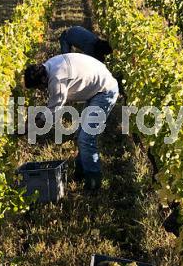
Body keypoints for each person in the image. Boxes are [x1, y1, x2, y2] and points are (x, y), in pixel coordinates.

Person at [24, 53, 119, 191]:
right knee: (82, 135)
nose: (40, 90)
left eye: (39, 87)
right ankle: (81, 172)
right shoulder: (49, 66)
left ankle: (93, 183)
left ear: (43, 79)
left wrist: (30, 128)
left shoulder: (57, 80)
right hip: (97, 85)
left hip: (105, 92)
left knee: (86, 138)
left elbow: (52, 112)